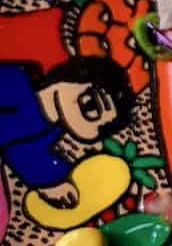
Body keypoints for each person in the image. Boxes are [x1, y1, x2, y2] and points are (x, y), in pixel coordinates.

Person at [0, 57, 134, 208]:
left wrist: (52, 182)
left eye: (102, 129)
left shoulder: (48, 132)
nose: (92, 125)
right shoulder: (16, 81)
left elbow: (24, 153)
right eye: (91, 105)